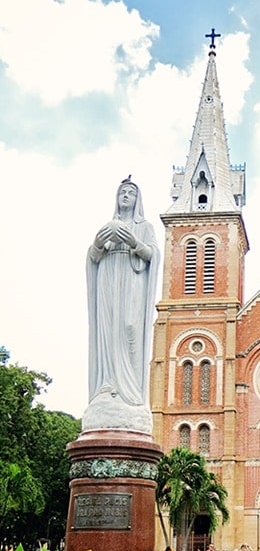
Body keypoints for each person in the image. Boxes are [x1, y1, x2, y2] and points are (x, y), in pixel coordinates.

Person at [86, 177, 160, 417]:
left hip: (132, 281)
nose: (126, 196)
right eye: (122, 192)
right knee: (108, 331)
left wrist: (134, 242)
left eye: (130, 192)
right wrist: (98, 242)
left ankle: (131, 392)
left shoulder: (145, 227)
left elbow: (152, 255)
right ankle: (107, 384)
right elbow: (94, 256)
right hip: (109, 278)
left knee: (130, 328)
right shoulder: (109, 225)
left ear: (138, 200)